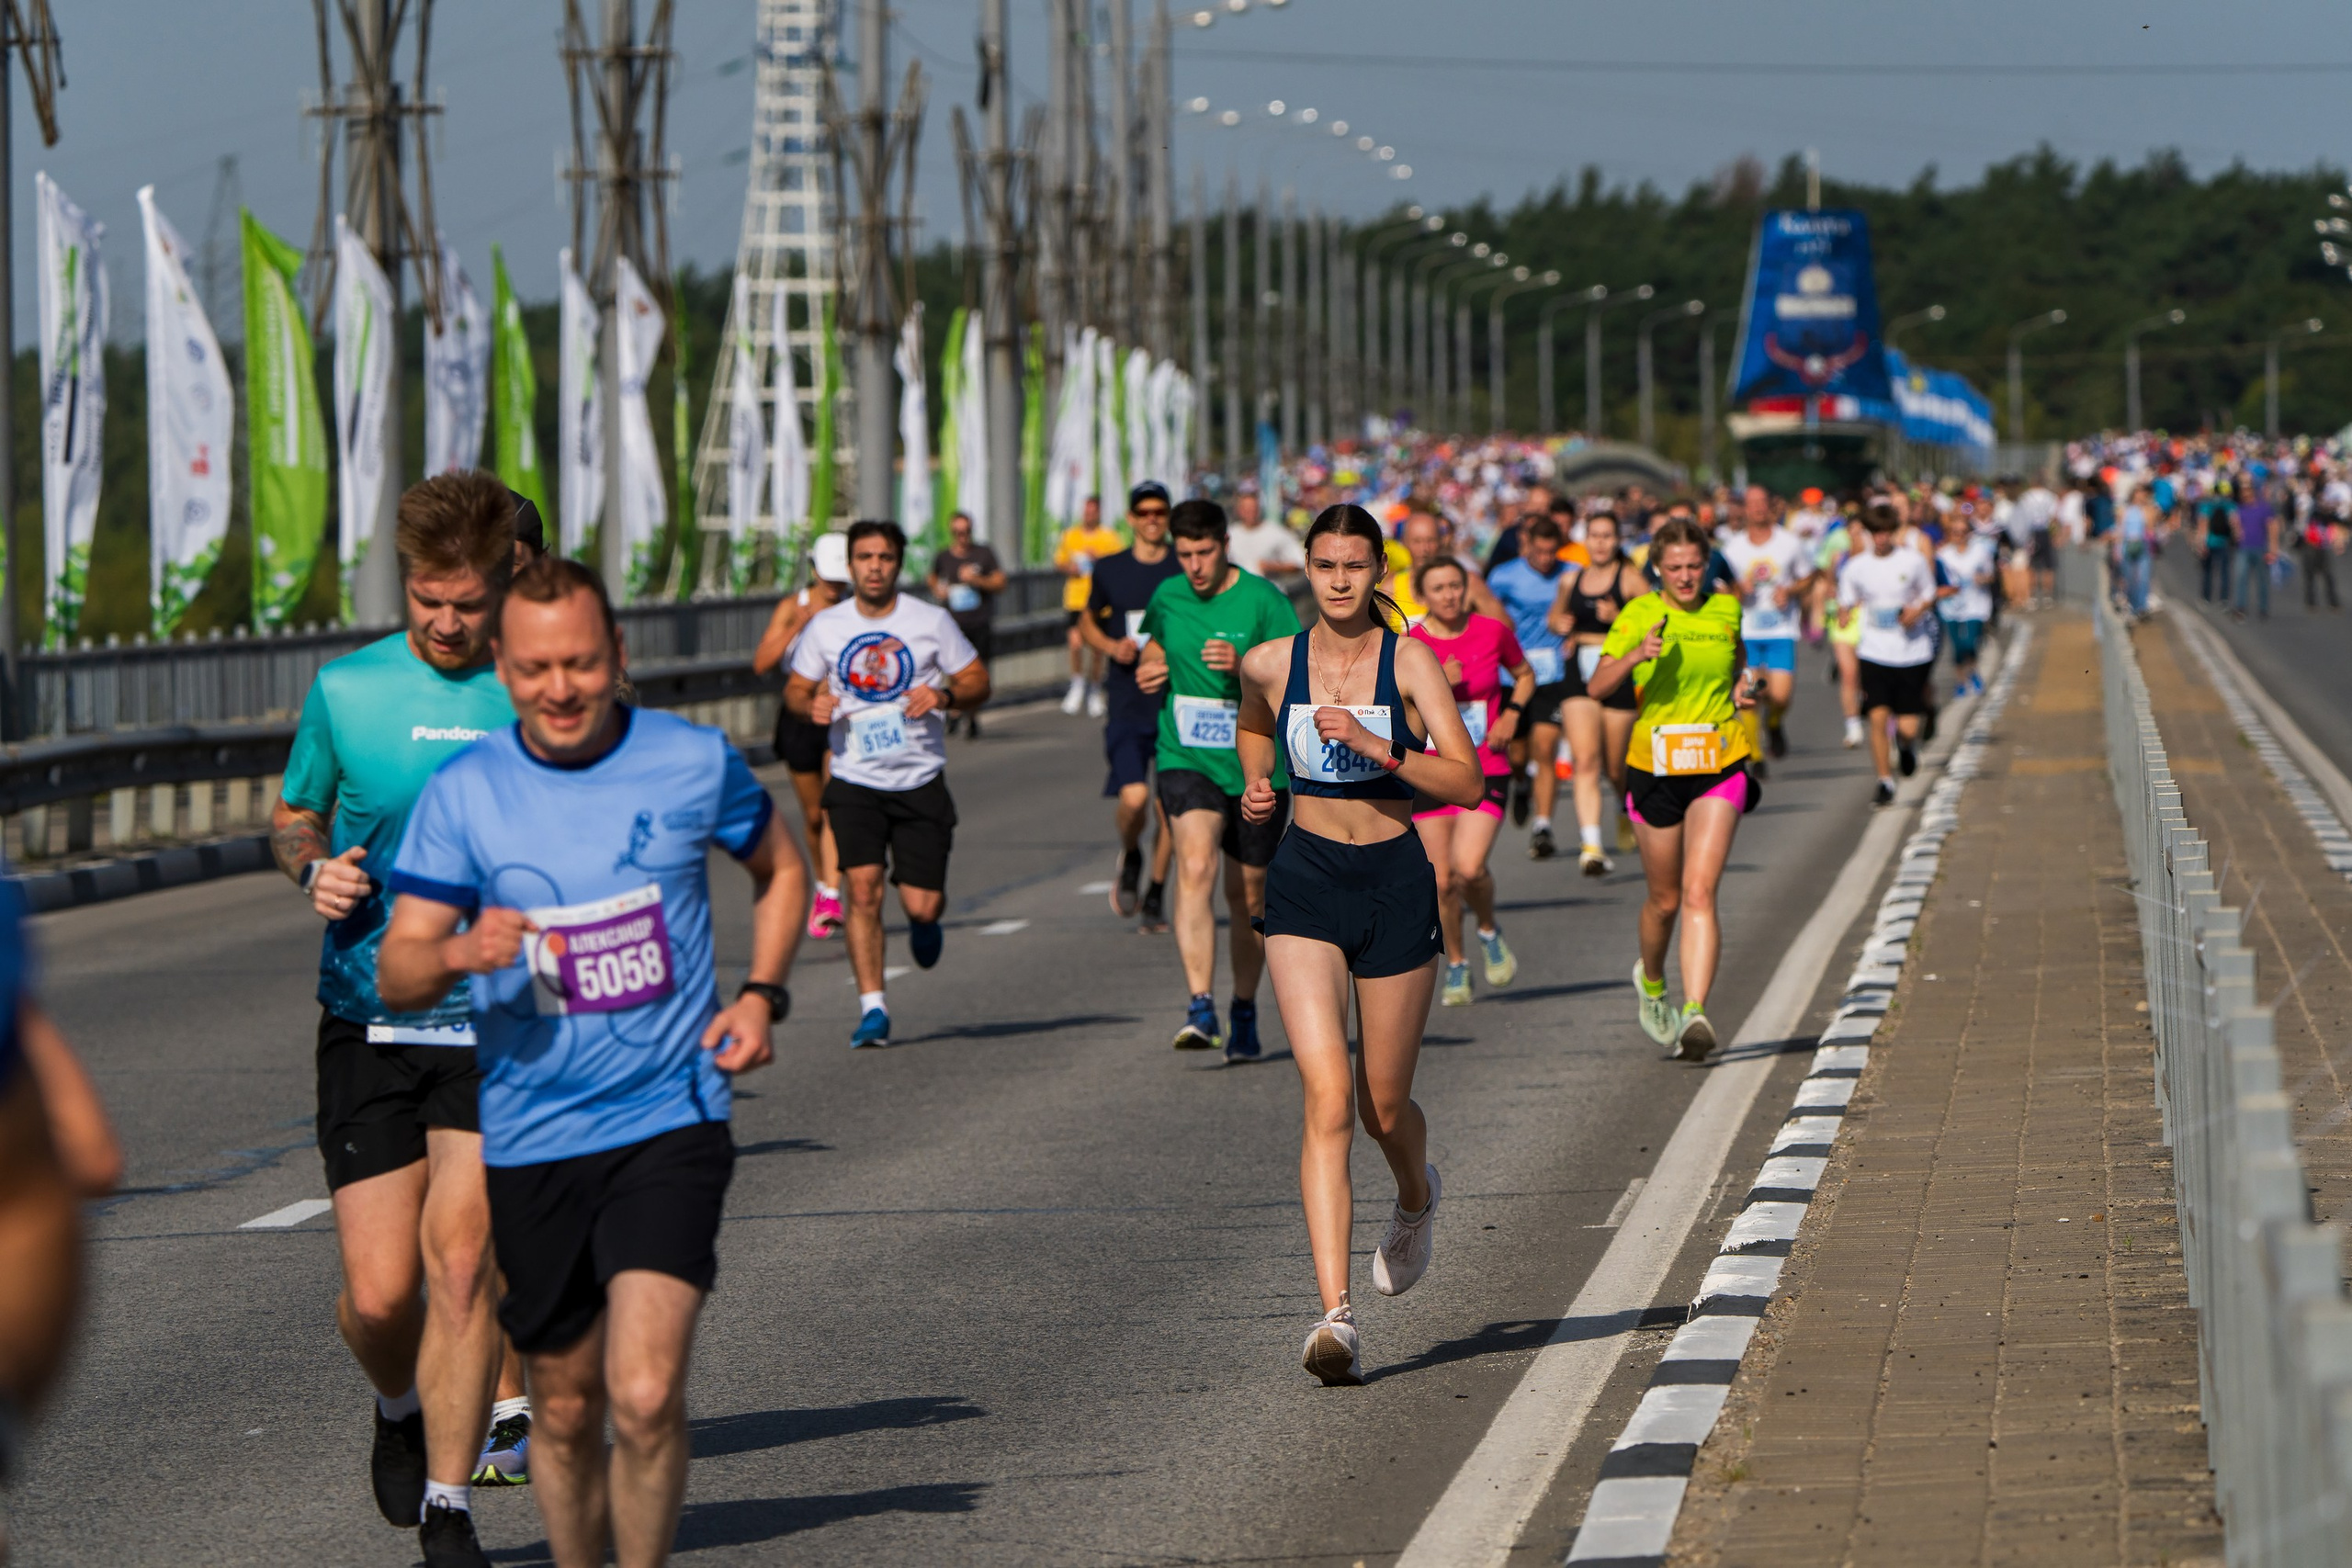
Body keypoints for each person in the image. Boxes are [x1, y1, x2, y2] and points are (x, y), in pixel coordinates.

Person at [379, 555, 805, 1568]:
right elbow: (398, 970)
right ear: (502, 665)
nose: (557, 689)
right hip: (531, 1133)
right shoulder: (467, 790)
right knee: (564, 1411)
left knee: (647, 1392)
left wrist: (760, 993)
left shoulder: (690, 762)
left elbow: (783, 871)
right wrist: (457, 952)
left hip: (669, 1114)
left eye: (577, 664)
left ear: (616, 656)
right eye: (532, 670)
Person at [271, 473, 536, 1565]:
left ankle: (449, 1504)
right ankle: (396, 1406)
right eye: (428, 596)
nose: (444, 620)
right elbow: (295, 815)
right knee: (382, 1301)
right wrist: (312, 870)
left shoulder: (542, 686)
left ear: (504, 582)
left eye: (466, 600)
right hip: (367, 1018)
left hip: (498, 1022)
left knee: (464, 1267)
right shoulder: (348, 690)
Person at [1234, 503, 1486, 1384]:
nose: (1339, 580)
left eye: (1356, 565)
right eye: (1325, 564)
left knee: (1383, 1106)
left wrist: (1382, 748)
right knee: (1327, 1093)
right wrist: (1257, 788)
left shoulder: (1409, 660)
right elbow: (1255, 727)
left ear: (1380, 570)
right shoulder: (1273, 662)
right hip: (1304, 883)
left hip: (1392, 880)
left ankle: (1416, 1194)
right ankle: (1335, 1315)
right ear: (1305, 565)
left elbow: (1466, 775)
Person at [785, 521, 991, 1047]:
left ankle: (923, 921)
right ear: (850, 565)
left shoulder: (930, 621)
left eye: (884, 556)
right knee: (862, 889)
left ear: (899, 564)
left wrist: (944, 697)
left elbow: (977, 681)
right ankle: (872, 1007)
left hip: (919, 777)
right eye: (864, 556)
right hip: (855, 778)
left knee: (923, 904)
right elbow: (794, 689)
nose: (874, 565)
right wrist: (812, 704)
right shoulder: (826, 627)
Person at [1587, 514, 1763, 1062]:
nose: (1686, 577)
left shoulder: (1725, 608)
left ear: (1706, 565)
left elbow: (1738, 660)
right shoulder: (1640, 613)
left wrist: (1743, 686)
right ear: (1658, 569)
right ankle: (1655, 981)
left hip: (1720, 758)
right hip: (1655, 764)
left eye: (1694, 567)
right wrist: (1637, 655)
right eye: (1675, 568)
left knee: (1700, 891)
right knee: (1664, 901)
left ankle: (1696, 1011)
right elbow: (1597, 685)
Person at [1135, 499, 1302, 1058]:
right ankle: (1200, 1005)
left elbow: (1297, 679)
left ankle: (1246, 1005)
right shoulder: (1168, 596)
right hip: (1186, 755)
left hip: (1257, 768)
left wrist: (1244, 668)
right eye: (1184, 555)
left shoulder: (1263, 600)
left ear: (1224, 545)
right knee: (1197, 863)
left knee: (1248, 892)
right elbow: (1154, 646)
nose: (1195, 567)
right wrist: (1150, 667)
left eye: (1203, 552)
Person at [1408, 557, 1532, 1005]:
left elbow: (1524, 675)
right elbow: (1394, 703)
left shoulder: (1492, 631)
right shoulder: (1410, 645)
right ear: (1423, 595)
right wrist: (1439, 681)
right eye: (1438, 588)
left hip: (1485, 766)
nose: (1449, 595)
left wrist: (1513, 715)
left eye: (1456, 586)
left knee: (1469, 867)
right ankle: (1457, 965)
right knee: (1441, 882)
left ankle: (1488, 928)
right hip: (1431, 772)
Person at [1080, 481, 1183, 927]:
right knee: (1136, 797)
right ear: (1131, 518)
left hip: (1176, 699)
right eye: (1143, 512)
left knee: (1171, 808)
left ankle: (1157, 891)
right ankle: (1130, 853)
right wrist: (1108, 645)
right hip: (1126, 699)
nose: (1152, 518)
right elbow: (1086, 619)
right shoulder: (1110, 569)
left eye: (1160, 511)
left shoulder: (1186, 567)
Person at [753, 531, 852, 940]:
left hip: (842, 718)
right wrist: (798, 624)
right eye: (827, 578)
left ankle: (832, 893)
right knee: (813, 816)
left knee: (833, 808)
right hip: (798, 718)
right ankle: (821, 885)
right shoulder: (791, 608)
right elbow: (761, 663)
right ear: (813, 571)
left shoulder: (857, 610)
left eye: (839, 580)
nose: (833, 587)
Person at [1544, 509, 1645, 874]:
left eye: (1607, 536)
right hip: (1578, 668)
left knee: (1616, 766)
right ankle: (1592, 846)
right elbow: (1553, 619)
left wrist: (1618, 617)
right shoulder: (1572, 580)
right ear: (1586, 540)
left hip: (1616, 666)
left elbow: (1653, 622)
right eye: (1595, 535)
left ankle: (1623, 805)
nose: (1600, 542)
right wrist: (1561, 623)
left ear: (1618, 541)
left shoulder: (1630, 578)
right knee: (1585, 760)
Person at [1838, 506, 1941, 807]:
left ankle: (1907, 746)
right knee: (1877, 717)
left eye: (1886, 532)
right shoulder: (1856, 566)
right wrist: (1844, 614)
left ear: (1894, 532)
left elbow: (1929, 592)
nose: (1881, 539)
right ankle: (1884, 781)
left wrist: (1916, 610)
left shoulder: (1912, 561)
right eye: (1875, 533)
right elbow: (1846, 598)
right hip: (1874, 651)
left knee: (1908, 726)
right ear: (1868, 535)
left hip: (1911, 652)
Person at [1487, 516, 1572, 857]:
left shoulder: (1570, 573)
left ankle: (1543, 827)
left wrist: (1574, 633)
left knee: (1546, 748)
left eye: (1552, 552)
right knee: (1518, 753)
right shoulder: (1504, 576)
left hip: (1553, 672)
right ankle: (1521, 783)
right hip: (1514, 675)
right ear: (1527, 546)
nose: (1546, 559)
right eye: (1540, 551)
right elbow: (1489, 614)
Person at [1716, 485, 1814, 780]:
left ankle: (1773, 723)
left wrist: (1791, 590)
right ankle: (1756, 757)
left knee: (1781, 696)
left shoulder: (1789, 543)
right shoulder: (1732, 548)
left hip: (1781, 629)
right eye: (1752, 503)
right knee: (1750, 692)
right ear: (1743, 509)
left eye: (1763, 502)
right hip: (1746, 630)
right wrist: (1736, 590)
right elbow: (1719, 587)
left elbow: (1808, 576)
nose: (1758, 508)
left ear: (1771, 506)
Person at [927, 511, 1007, 736]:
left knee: (977, 673)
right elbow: (931, 576)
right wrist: (938, 589)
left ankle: (971, 717)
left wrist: (977, 580)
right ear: (952, 533)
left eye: (966, 532)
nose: (962, 537)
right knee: (954, 671)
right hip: (953, 625)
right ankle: (954, 712)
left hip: (979, 621)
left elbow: (1001, 582)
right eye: (957, 533)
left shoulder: (984, 554)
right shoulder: (944, 556)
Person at [1054, 496, 1125, 715]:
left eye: (1093, 512)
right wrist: (1071, 567)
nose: (1089, 515)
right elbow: (1059, 562)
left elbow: (1120, 562)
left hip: (1101, 602)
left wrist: (1100, 559)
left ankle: (1095, 689)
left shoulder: (1109, 537)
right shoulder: (1070, 535)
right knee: (1075, 643)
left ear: (1099, 513)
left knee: (1097, 649)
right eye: (1086, 512)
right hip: (1076, 599)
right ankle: (1077, 684)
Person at [1936, 520, 1998, 699]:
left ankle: (1972, 671)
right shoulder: (1943, 554)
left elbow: (1991, 575)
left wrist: (1983, 579)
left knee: (1970, 642)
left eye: (1963, 531)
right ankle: (1961, 680)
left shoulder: (1980, 552)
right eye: (1955, 531)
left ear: (1969, 533)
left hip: (1975, 604)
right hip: (1950, 606)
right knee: (1957, 646)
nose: (1959, 535)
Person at [1227, 485, 1306, 581]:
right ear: (1239, 510)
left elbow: (1298, 563)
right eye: (1246, 509)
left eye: (1253, 509)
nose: (1250, 513)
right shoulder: (1231, 534)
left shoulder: (1276, 532)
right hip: (1239, 592)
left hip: (1269, 591)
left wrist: (1272, 566)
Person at [2233, 480, 2274, 621]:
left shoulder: (2263, 508)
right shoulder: (2240, 508)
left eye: (2247, 491)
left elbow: (2271, 527)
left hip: (2260, 547)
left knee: (2262, 579)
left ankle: (2263, 608)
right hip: (2244, 548)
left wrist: (2273, 549)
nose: (2245, 494)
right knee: (2241, 577)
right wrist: (2237, 531)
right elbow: (2237, 526)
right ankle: (2240, 608)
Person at [2199, 483, 2238, 604]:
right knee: (2225, 572)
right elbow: (2234, 522)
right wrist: (2236, 538)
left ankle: (2206, 597)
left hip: (2209, 542)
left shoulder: (2206, 505)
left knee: (2208, 572)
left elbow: (2203, 524)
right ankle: (2224, 598)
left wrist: (2201, 542)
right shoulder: (2229, 505)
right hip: (2224, 542)